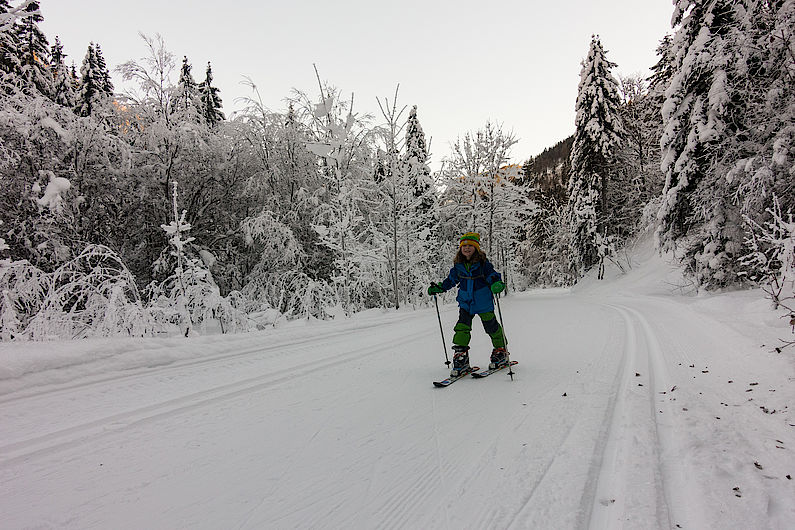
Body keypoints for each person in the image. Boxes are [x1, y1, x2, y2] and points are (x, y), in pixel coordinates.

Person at [428, 232, 507, 376]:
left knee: (491, 327)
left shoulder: (484, 265)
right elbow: (450, 280)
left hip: (483, 301)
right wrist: (439, 288)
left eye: (470, 245)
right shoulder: (458, 266)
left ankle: (500, 350)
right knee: (462, 327)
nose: (467, 248)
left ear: (476, 247)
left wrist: (496, 283)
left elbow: (493, 276)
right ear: (460, 249)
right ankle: (461, 356)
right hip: (466, 302)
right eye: (464, 246)